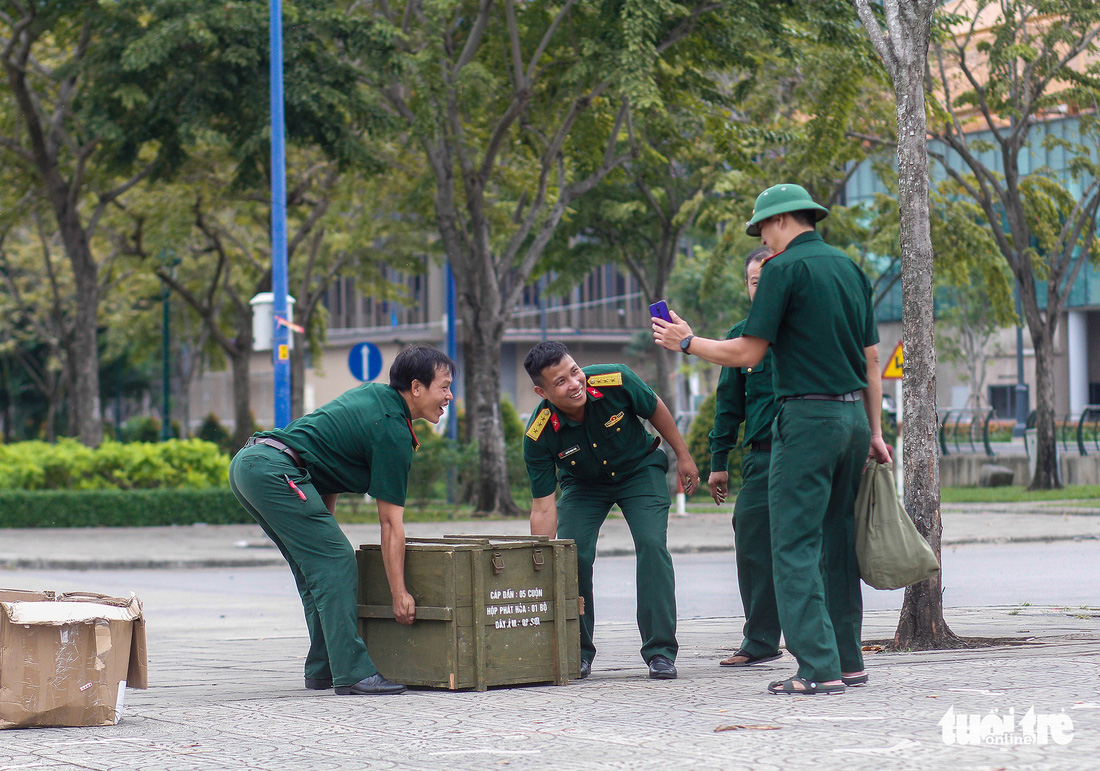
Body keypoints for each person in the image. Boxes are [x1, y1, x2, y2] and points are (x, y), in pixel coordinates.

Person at [653, 183, 892, 696]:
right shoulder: (849, 267)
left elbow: (747, 352)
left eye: (763, 228)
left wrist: (687, 342)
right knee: (837, 542)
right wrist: (873, 430)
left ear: (780, 221)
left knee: (793, 544)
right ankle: (848, 660)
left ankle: (818, 668)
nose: (764, 239)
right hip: (853, 420)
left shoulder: (785, 269)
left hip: (806, 420)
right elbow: (873, 362)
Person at [228, 344, 455, 696]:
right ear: (415, 387)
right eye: (444, 387)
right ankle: (352, 671)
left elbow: (324, 466)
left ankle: (324, 667)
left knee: (316, 567)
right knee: (335, 561)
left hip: (254, 465)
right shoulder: (392, 431)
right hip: (275, 471)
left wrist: (323, 533)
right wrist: (399, 593)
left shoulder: (375, 396)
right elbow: (391, 524)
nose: (449, 396)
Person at [521, 341, 699, 680]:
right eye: (560, 382)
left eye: (574, 372)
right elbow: (543, 507)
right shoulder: (539, 433)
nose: (574, 384)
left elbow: (654, 407)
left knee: (651, 544)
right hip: (583, 486)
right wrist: (540, 558)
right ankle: (578, 652)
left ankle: (660, 652)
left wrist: (684, 455)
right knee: (574, 555)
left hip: (639, 470)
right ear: (541, 392)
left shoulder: (614, 379)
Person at [708, 246, 782, 669]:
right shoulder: (740, 336)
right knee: (751, 536)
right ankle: (760, 639)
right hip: (762, 456)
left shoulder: (803, 330)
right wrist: (719, 461)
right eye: (755, 281)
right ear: (748, 287)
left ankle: (830, 641)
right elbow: (727, 405)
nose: (762, 288)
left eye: (769, 280)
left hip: (809, 449)